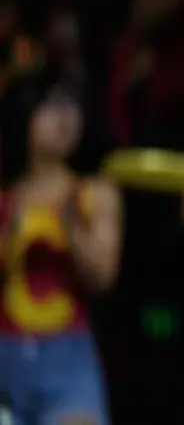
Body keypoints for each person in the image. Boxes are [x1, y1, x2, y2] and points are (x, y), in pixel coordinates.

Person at [0, 71, 123, 425]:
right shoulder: (7, 197)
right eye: (51, 104)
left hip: (68, 354)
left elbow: (103, 278)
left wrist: (72, 231)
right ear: (24, 114)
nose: (64, 115)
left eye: (71, 104)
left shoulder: (95, 194)